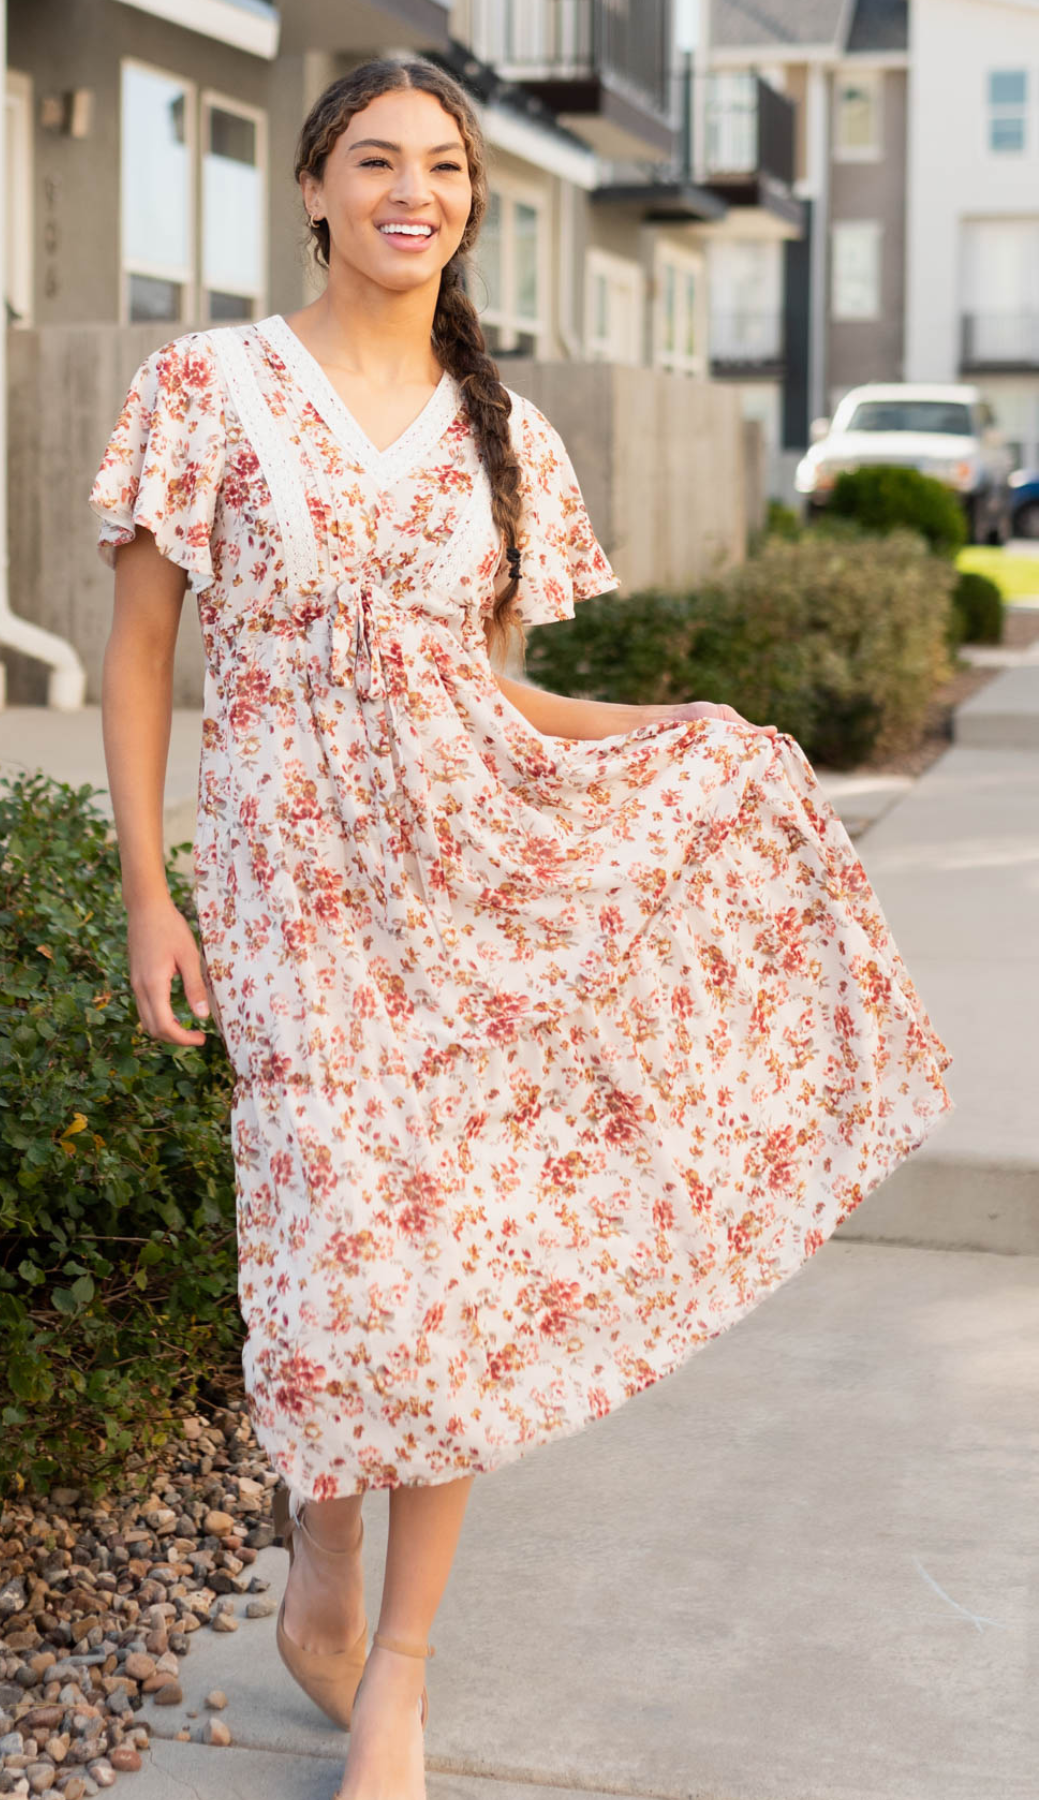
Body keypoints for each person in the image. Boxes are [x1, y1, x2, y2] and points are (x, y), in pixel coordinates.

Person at [89, 56, 952, 1800]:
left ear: (468, 206)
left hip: (475, 896)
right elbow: (138, 660)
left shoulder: (505, 431)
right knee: (341, 1255)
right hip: (296, 900)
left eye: (447, 169)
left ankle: (393, 1676)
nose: (416, 191)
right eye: (378, 160)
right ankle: (320, 1560)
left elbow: (491, 696)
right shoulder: (206, 389)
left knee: (442, 1283)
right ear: (315, 187)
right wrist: (144, 886)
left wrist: (682, 740)